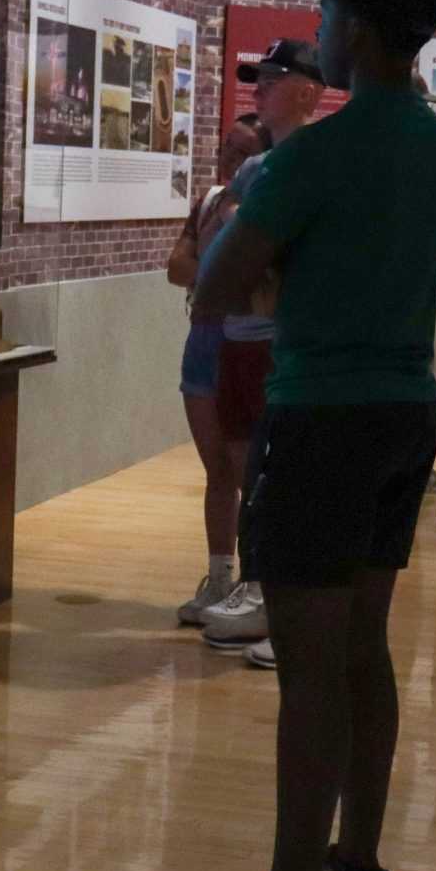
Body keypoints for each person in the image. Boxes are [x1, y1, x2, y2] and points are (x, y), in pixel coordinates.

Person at [159, 0, 436, 871]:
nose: (316, 31)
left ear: (359, 32)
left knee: (307, 667)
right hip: (405, 410)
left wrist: (276, 278)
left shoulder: (309, 158)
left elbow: (209, 288)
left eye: (327, 13)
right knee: (364, 645)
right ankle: (358, 865)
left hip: (321, 415)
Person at [195, 39, 326, 661]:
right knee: (255, 472)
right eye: (259, 78)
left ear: (307, 89)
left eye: (272, 79)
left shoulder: (324, 158)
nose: (258, 89)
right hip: (242, 336)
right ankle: (259, 591)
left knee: (286, 476)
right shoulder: (254, 171)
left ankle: (286, 607)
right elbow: (218, 244)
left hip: (289, 341)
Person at [172, 113, 271, 626]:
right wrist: (220, 275)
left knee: (248, 470)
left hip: (247, 340)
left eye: (242, 150)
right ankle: (219, 575)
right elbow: (177, 268)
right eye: (226, 148)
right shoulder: (209, 203)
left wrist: (214, 274)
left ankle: (255, 584)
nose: (229, 159)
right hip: (204, 338)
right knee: (217, 472)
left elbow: (246, 278)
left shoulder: (261, 208)